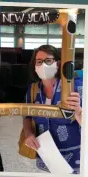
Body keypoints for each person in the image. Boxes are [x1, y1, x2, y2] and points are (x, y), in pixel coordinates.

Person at [23, 45, 82, 174]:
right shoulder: (33, 90)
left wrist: (78, 111)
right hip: (46, 159)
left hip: (75, 160)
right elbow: (27, 117)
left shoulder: (75, 86)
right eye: (39, 61)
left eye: (48, 60)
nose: (43, 65)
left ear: (58, 63)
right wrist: (28, 134)